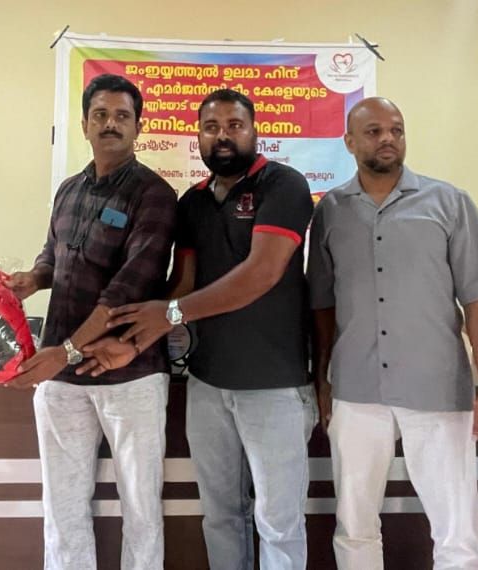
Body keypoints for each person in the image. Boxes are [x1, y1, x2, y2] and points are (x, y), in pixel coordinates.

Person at [100, 89, 316, 569]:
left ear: (255, 131)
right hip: (207, 384)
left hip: (274, 385)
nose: (222, 136)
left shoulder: (284, 185)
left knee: (278, 523)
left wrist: (171, 314)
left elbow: (261, 273)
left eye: (234, 126)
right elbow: (183, 283)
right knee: (220, 516)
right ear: (198, 136)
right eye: (211, 127)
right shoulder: (193, 202)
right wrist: (129, 337)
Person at [308, 97, 478, 570]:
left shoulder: (449, 202)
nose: (388, 139)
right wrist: (322, 379)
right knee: (354, 526)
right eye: (374, 131)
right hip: (356, 390)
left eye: (396, 130)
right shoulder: (331, 211)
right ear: (349, 142)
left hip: (437, 388)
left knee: (457, 531)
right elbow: (323, 305)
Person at [2, 73, 177, 570]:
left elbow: (128, 288)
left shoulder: (154, 194)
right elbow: (52, 255)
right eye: (100, 115)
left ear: (138, 126)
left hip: (130, 374)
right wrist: (33, 279)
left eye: (122, 116)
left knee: (140, 507)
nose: (110, 124)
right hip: (60, 377)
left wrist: (65, 351)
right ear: (84, 124)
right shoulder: (68, 190)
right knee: (61, 506)